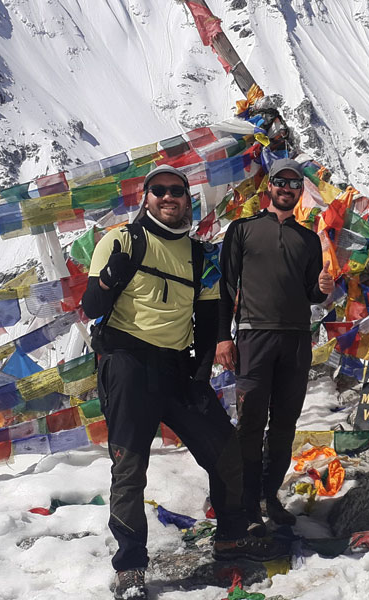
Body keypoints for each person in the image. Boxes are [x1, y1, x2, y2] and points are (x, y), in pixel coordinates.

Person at [82, 164, 284, 600]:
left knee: (225, 449)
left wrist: (202, 366)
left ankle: (230, 534)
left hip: (178, 367)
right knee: (130, 465)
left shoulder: (201, 255)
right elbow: (90, 305)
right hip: (127, 362)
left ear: (186, 199)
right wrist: (108, 277)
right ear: (146, 196)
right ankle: (131, 566)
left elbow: (211, 318)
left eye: (177, 191)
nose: (169, 197)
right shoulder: (119, 241)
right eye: (160, 190)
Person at [215, 157, 334, 534]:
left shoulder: (308, 238)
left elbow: (311, 293)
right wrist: (222, 336)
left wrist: (324, 289)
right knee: (250, 423)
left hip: (297, 340)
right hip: (253, 336)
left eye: (293, 183)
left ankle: (270, 496)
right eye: (280, 182)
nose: (286, 188)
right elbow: (225, 288)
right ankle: (246, 502)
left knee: (285, 424)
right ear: (269, 187)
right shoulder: (242, 230)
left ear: (300, 191)